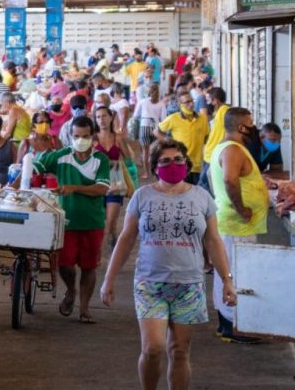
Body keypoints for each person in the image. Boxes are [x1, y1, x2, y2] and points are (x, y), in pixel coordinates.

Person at [101, 138, 238, 390]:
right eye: (165, 161)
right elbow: (126, 238)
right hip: (150, 284)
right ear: (155, 167)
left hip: (189, 284)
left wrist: (227, 280)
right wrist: (109, 279)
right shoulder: (143, 196)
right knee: (153, 348)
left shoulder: (202, 197)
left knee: (179, 350)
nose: (172, 164)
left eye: (178, 159)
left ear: (186, 163)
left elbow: (213, 241)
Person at [34, 116, 110, 324]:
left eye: (85, 136)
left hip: (92, 222)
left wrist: (74, 188)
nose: (81, 140)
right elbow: (36, 168)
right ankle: (70, 290)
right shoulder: (60, 156)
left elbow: (102, 189)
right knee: (64, 264)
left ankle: (84, 309)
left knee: (89, 267)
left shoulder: (100, 160)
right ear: (70, 136)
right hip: (66, 222)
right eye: (77, 136)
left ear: (92, 136)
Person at [209, 108, 268, 344]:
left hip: (232, 224)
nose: (253, 127)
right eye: (250, 123)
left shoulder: (225, 148)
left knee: (226, 272)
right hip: (237, 225)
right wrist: (242, 209)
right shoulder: (232, 149)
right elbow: (229, 180)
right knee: (235, 274)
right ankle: (235, 325)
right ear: (241, 127)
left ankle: (226, 324)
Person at [94, 106, 132, 250]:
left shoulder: (118, 138)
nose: (101, 120)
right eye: (98, 117)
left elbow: (128, 160)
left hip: (116, 180)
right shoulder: (93, 138)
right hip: (97, 182)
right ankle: (109, 242)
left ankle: (112, 249)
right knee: (100, 221)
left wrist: (123, 163)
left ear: (111, 117)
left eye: (104, 116)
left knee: (111, 221)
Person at [155, 91, 209, 185]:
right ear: (180, 105)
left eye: (192, 101)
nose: (191, 104)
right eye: (187, 102)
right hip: (180, 163)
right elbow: (156, 131)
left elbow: (206, 139)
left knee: (196, 194)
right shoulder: (173, 119)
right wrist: (169, 142)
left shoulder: (202, 119)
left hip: (197, 165)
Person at [198, 87, 229, 194]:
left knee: (203, 187)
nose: (207, 103)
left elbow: (227, 132)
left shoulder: (224, 110)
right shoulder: (218, 112)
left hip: (213, 154)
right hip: (210, 153)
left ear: (215, 100)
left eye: (208, 100)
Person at [134, 84, 167, 179]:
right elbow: (163, 119)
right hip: (155, 129)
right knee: (155, 152)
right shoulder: (161, 104)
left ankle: (146, 173)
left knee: (145, 151)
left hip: (144, 126)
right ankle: (156, 171)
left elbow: (136, 115)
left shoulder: (142, 102)